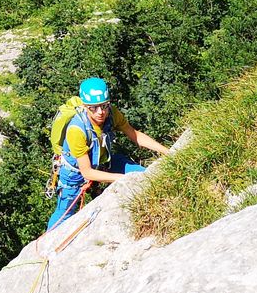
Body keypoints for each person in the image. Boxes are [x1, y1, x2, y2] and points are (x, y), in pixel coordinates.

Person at [48, 76, 170, 231]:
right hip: (76, 174)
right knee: (64, 214)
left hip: (104, 163)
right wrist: (122, 178)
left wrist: (167, 152)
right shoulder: (76, 130)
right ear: (85, 106)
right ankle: (43, 250)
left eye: (104, 106)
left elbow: (135, 135)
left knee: (144, 176)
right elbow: (87, 172)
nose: (101, 112)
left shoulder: (112, 114)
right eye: (94, 107)